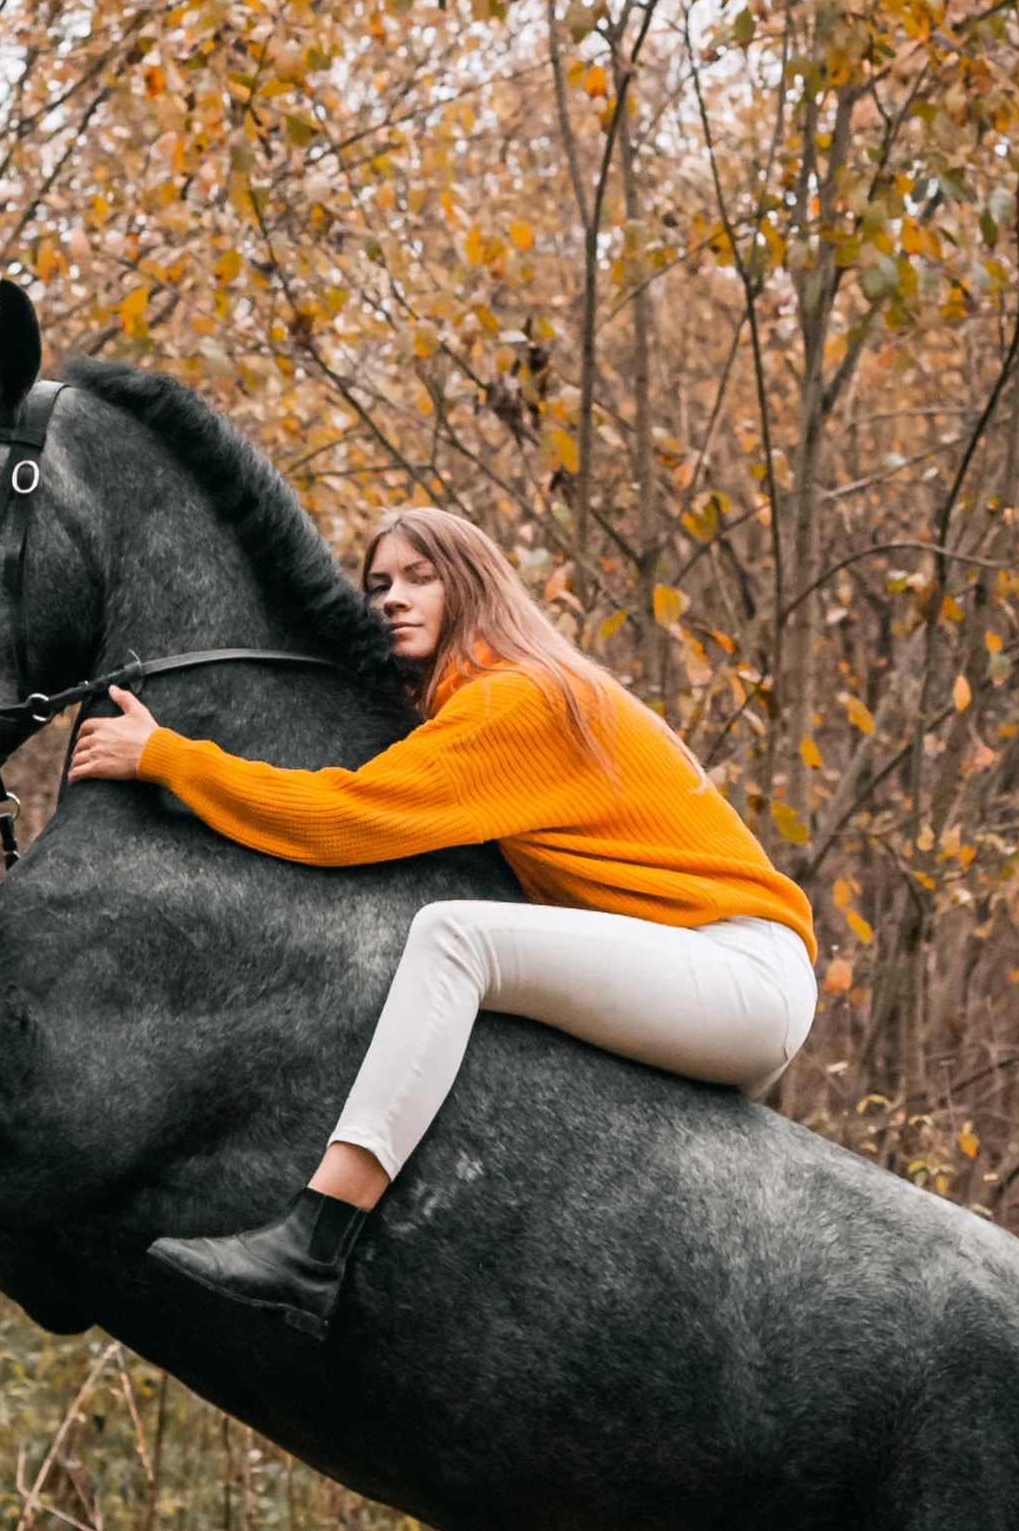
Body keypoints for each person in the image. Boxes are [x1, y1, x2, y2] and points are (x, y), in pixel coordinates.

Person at [67, 504, 817, 1337]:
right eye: (378, 583)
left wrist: (166, 755)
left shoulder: (517, 699)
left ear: (474, 586)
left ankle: (313, 1242)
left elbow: (346, 817)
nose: (391, 597)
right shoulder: (509, 696)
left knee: (455, 937)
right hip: (706, 973)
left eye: (420, 577)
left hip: (740, 973)